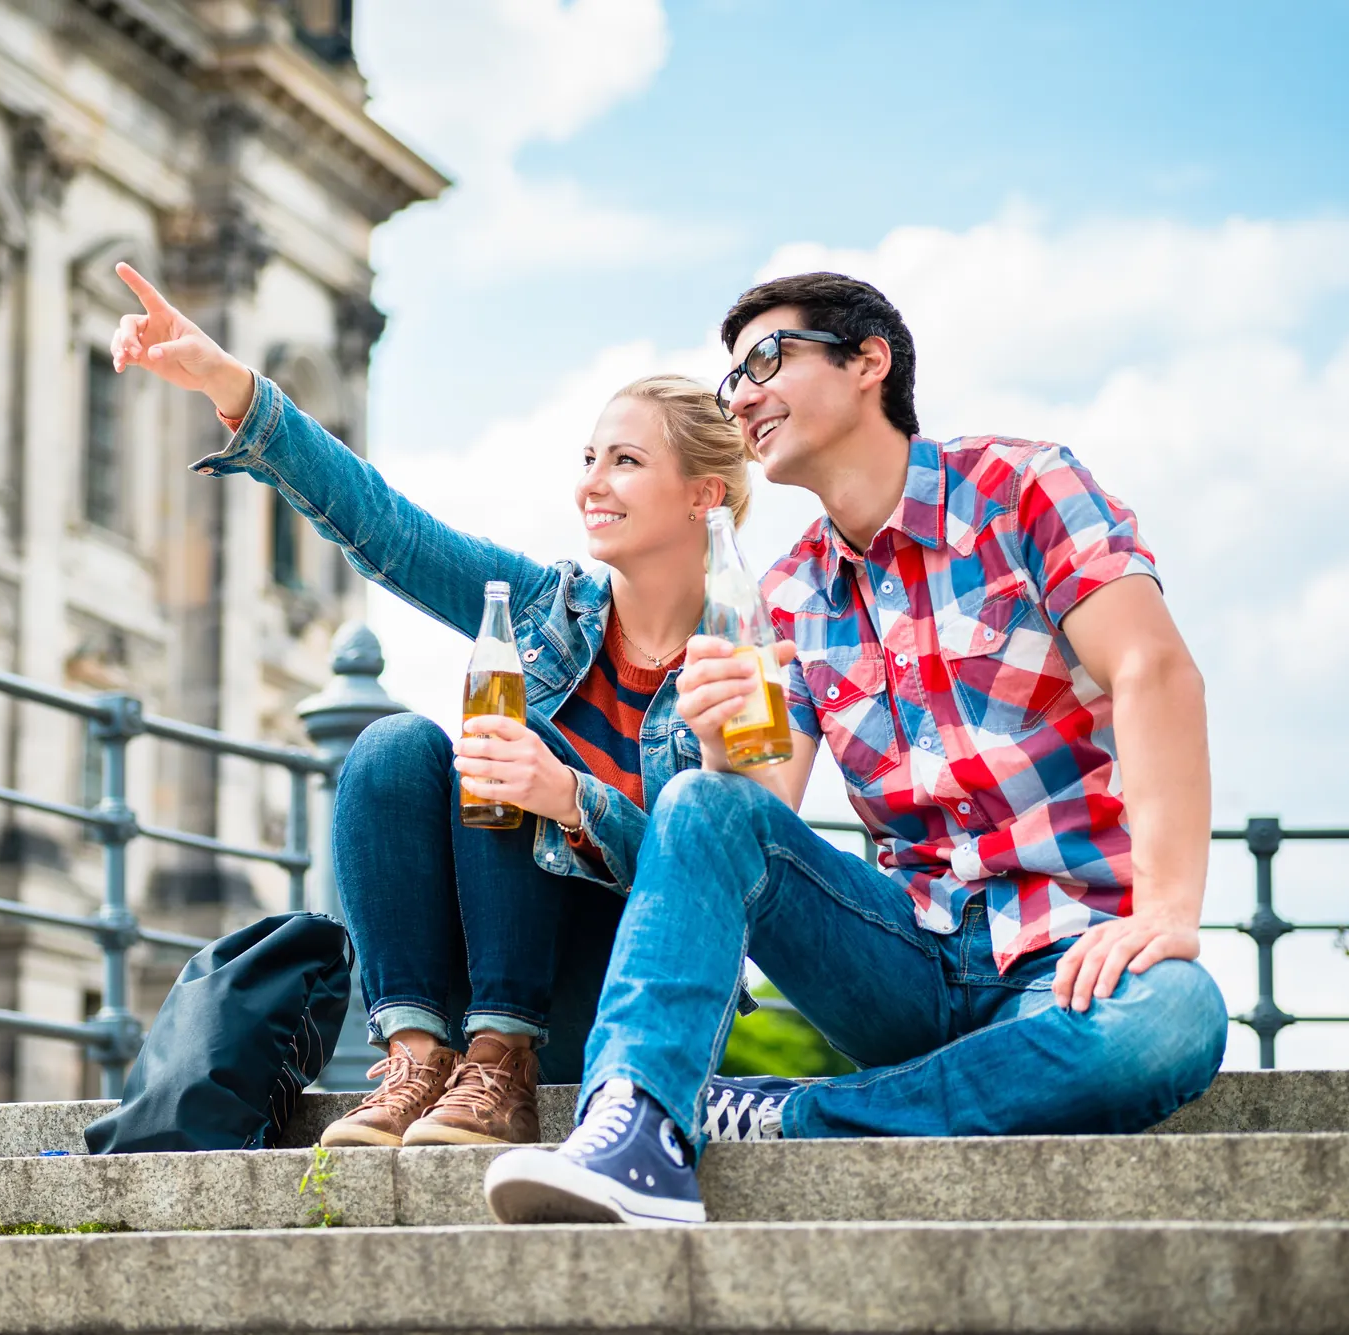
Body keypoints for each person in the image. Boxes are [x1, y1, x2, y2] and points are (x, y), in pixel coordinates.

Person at [485, 271, 1230, 1225]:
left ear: (868, 360)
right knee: (701, 802)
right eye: (732, 379)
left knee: (1175, 1014)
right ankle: (634, 1125)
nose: (741, 397)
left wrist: (1164, 911)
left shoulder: (1025, 489)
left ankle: (794, 1116)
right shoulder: (786, 592)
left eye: (766, 360)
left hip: (1068, 960)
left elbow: (1154, 671)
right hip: (902, 961)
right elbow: (758, 821)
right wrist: (718, 747)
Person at [107, 262, 755, 1148]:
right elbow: (387, 528)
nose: (592, 484)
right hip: (477, 979)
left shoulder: (740, 660)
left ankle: (505, 1060)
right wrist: (231, 386)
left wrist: (575, 801)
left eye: (627, 462)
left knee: (515, 738)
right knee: (394, 746)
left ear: (704, 495)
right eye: (589, 459)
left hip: (622, 1001)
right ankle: (417, 1059)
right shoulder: (547, 608)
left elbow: (729, 890)